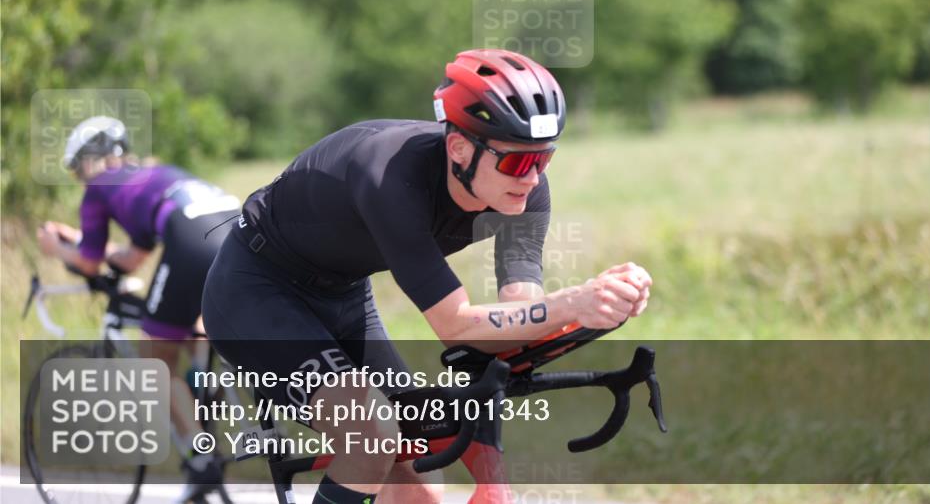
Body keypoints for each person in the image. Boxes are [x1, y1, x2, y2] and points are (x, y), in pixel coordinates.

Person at [202, 49, 652, 504]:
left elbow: (520, 314)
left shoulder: (524, 191)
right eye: (518, 163)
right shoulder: (389, 175)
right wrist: (572, 302)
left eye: (544, 159)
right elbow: (455, 326)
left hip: (343, 294)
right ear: (459, 149)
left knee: (420, 480)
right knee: (371, 436)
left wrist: (601, 307)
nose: (532, 178)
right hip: (256, 290)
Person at [36, 115, 241, 493]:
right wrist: (80, 240)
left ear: (92, 160)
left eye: (79, 167)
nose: (81, 177)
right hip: (235, 226)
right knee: (193, 327)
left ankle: (200, 458)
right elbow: (131, 258)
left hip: (190, 237)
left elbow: (89, 264)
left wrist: (56, 247)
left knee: (154, 359)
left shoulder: (99, 186)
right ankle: (205, 387)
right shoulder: (152, 174)